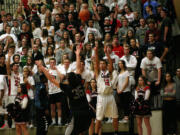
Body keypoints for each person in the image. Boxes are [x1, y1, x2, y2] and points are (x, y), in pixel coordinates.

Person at [36, 46, 91, 135]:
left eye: (67, 79)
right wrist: (77, 55)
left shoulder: (67, 88)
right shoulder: (79, 82)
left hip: (77, 115)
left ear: (69, 81)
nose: (66, 80)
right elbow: (78, 68)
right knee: (81, 132)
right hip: (86, 112)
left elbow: (52, 79)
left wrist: (42, 68)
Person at [94, 45, 118, 135]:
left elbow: (111, 63)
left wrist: (107, 54)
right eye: (100, 64)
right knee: (99, 118)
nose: (101, 65)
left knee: (115, 116)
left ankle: (116, 132)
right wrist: (96, 52)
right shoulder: (98, 72)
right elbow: (96, 62)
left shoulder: (109, 71)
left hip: (110, 96)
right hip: (101, 96)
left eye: (103, 63)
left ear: (106, 65)